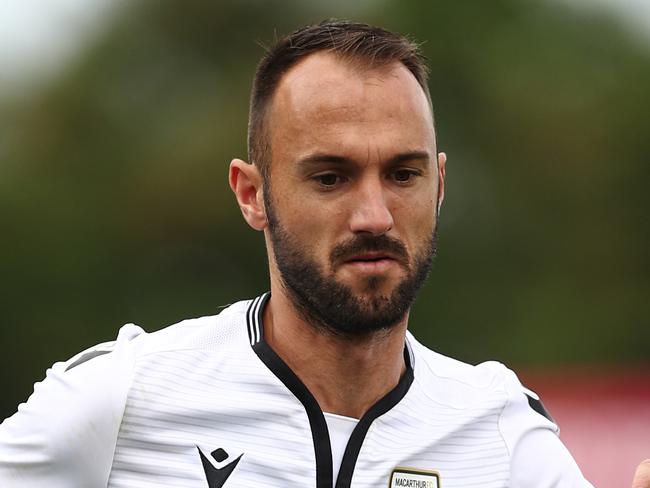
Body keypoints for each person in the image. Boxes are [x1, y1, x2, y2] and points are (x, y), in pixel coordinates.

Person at [0, 19, 646, 488]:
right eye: (330, 177)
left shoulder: (500, 433)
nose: (374, 216)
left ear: (440, 185)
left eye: (403, 174)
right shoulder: (121, 398)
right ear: (252, 194)